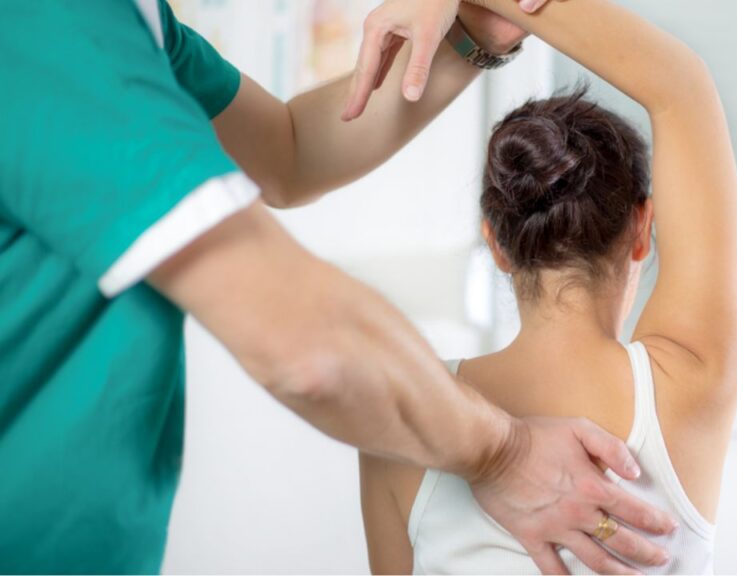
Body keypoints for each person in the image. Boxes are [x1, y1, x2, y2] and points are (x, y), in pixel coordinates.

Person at [0, 0, 677, 573]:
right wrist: (503, 454)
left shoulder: (136, 25)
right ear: (642, 230)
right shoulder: (53, 22)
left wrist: (475, 29)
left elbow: (288, 150)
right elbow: (306, 346)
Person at [356, 0, 737, 573]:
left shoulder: (403, 424)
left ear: (495, 243)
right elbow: (682, 86)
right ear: (642, 228)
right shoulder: (690, 385)